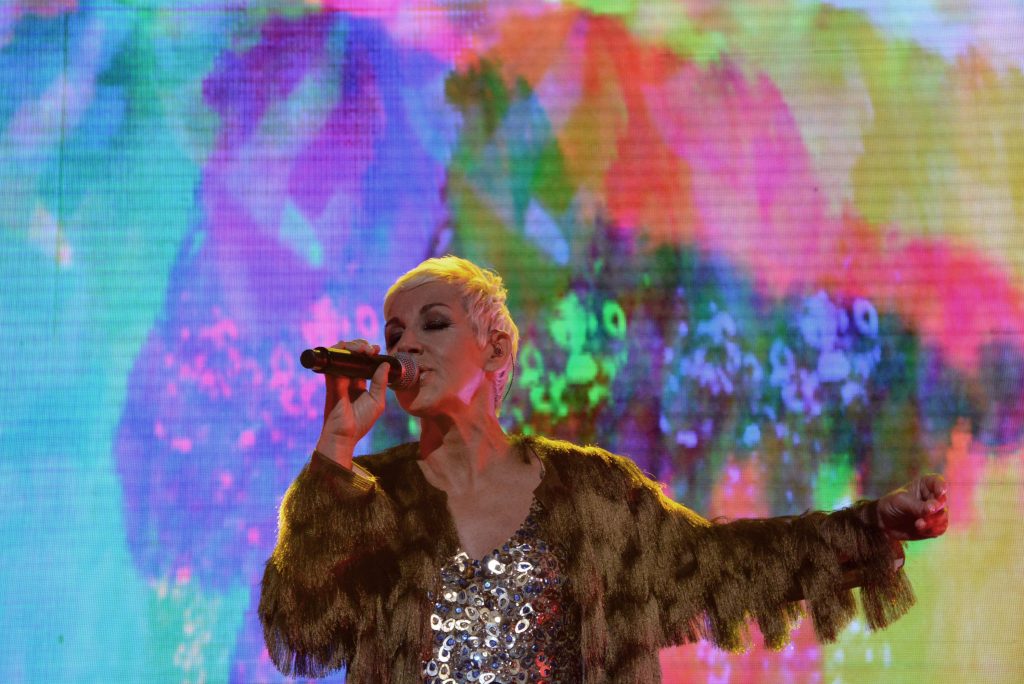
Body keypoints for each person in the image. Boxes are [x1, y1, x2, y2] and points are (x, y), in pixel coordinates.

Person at [259, 255, 948, 683]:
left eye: (432, 324)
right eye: (394, 334)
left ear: (495, 348)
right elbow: (300, 626)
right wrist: (334, 448)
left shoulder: (592, 493)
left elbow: (724, 566)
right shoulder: (364, 496)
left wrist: (870, 525)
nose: (405, 345)